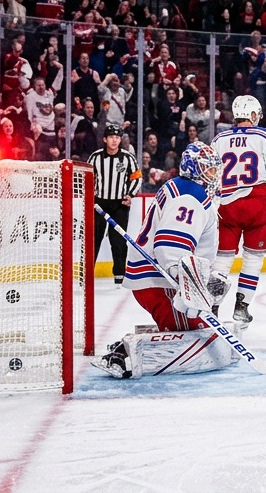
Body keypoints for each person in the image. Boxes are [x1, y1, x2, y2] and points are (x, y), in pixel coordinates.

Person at [94, 142, 236, 379]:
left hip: (157, 281)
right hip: (162, 284)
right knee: (209, 343)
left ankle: (135, 348)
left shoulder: (182, 187)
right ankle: (125, 354)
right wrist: (187, 285)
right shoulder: (192, 196)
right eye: (209, 170)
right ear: (194, 169)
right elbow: (171, 248)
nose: (215, 175)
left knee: (211, 337)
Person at [209, 95, 266, 332]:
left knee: (223, 258)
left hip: (225, 207)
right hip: (256, 206)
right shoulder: (265, 136)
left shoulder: (218, 139)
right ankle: (241, 308)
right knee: (253, 259)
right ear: (252, 115)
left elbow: (209, 176)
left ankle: (213, 307)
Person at [87, 125, 142, 286]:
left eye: (117, 137)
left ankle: (119, 275)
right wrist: (90, 197)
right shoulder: (95, 157)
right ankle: (87, 276)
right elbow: (87, 177)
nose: (114, 140)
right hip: (99, 205)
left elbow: (137, 177)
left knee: (118, 241)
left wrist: (130, 195)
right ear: (105, 139)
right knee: (93, 240)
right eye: (111, 137)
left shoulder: (127, 158)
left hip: (120, 205)